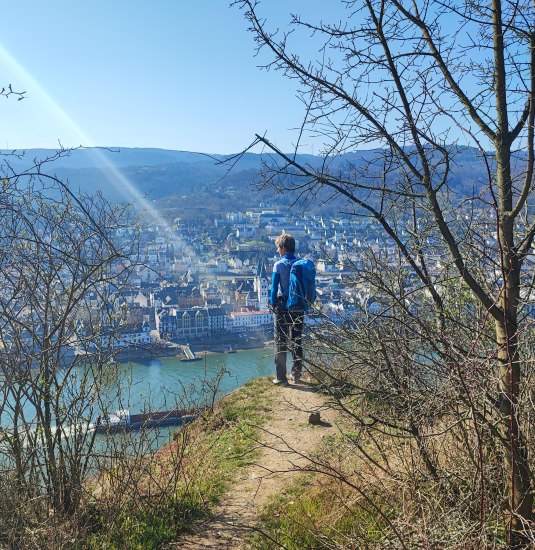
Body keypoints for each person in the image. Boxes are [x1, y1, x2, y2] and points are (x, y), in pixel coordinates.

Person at [269, 233, 304, 386]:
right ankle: (296, 374)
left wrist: (273, 304)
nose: (277, 250)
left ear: (283, 248)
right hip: (298, 308)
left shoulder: (279, 265)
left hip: (283, 308)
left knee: (280, 342)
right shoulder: (301, 264)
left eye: (278, 247)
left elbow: (273, 289)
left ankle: (281, 378)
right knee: (297, 340)